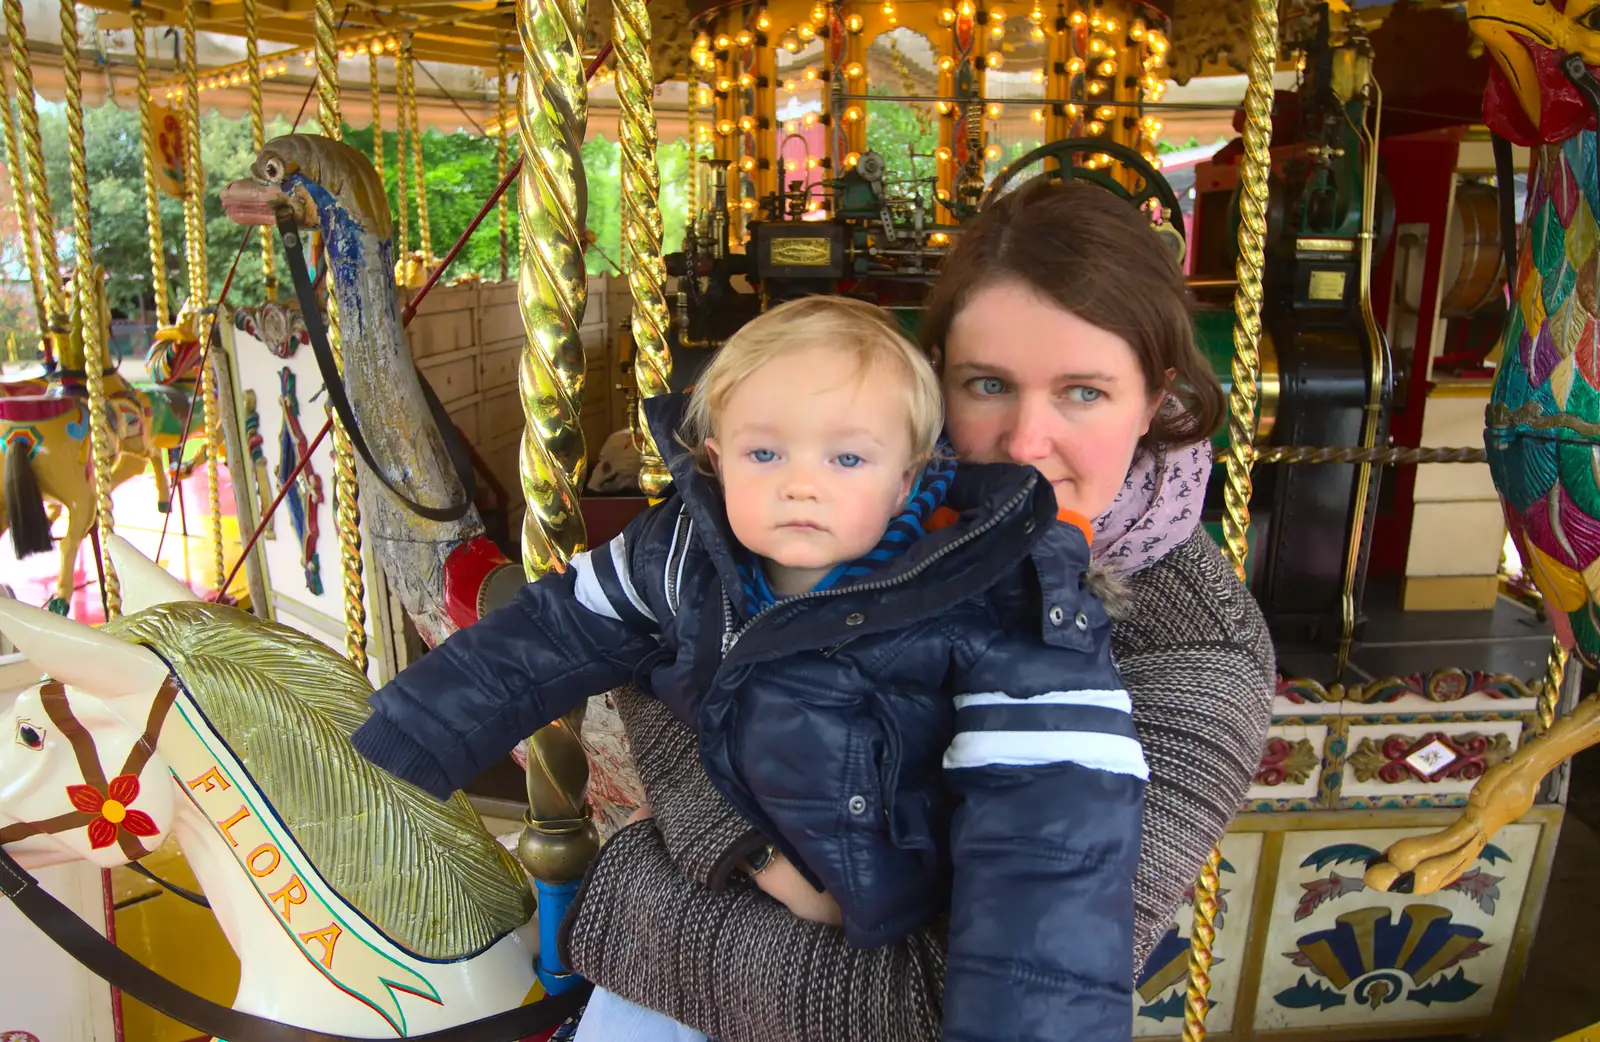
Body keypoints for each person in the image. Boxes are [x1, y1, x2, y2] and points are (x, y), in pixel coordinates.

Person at [556, 178, 1278, 1042]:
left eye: (1084, 392)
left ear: (1157, 398)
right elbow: (667, 645)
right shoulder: (860, 497)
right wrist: (745, 848)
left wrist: (642, 895)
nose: (1025, 443)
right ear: (937, 379)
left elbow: (939, 1013)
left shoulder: (1193, 643)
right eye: (988, 385)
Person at [351, 294, 1149, 1041]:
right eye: (765, 451)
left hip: (876, 927)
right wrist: (397, 747)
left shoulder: (983, 596)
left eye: (846, 458)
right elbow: (541, 636)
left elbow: (1053, 843)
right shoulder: (679, 556)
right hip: (694, 897)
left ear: (909, 475)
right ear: (715, 458)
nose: (801, 482)